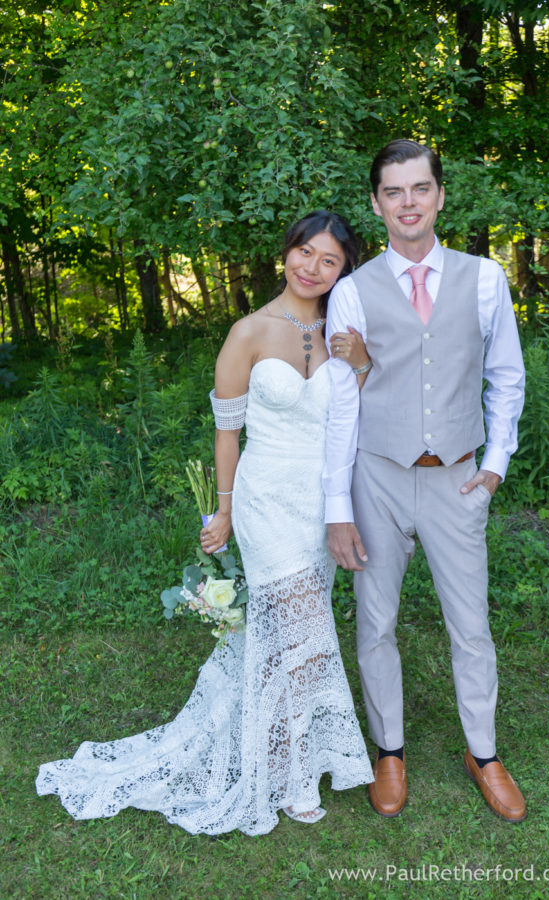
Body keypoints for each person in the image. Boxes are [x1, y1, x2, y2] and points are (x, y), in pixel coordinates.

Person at [36, 210, 373, 835]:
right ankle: (291, 772)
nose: (313, 267)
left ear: (343, 270)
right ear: (287, 252)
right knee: (298, 625)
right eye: (305, 252)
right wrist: (222, 509)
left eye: (329, 260)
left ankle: (279, 748)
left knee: (292, 631)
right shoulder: (247, 332)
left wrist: (360, 362)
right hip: (266, 497)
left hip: (323, 501)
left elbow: (356, 413)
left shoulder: (344, 331)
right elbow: (228, 432)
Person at [324, 140, 527, 823]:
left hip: (458, 480)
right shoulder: (351, 291)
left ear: (440, 195)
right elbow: (341, 401)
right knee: (375, 623)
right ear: (377, 203)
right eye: (393, 191)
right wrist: (337, 507)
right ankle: (389, 749)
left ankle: (485, 753)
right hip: (375, 478)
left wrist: (495, 465)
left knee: (470, 627)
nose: (407, 202)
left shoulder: (485, 278)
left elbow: (507, 377)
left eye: (419, 188)